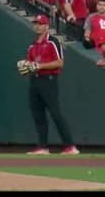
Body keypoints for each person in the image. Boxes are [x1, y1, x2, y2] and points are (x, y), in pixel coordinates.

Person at [21, 15, 79, 155]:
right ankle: (42, 147)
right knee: (38, 114)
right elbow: (30, 63)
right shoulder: (33, 44)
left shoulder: (53, 42)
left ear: (47, 26)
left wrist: (39, 66)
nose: (37, 26)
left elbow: (59, 62)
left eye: (40, 24)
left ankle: (70, 146)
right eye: (36, 23)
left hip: (49, 79)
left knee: (55, 113)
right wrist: (25, 65)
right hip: (35, 80)